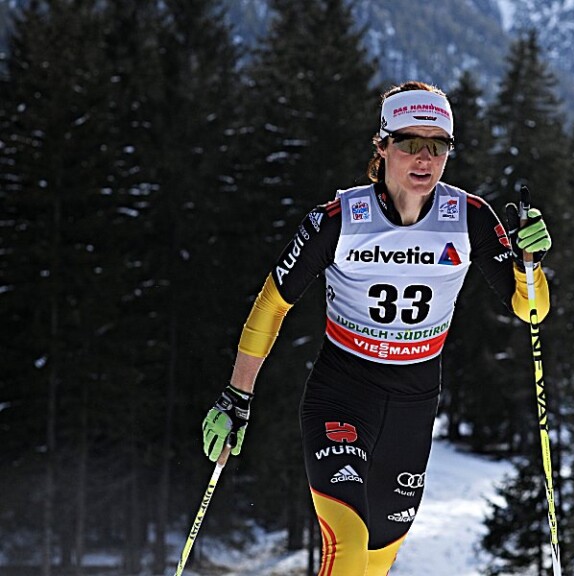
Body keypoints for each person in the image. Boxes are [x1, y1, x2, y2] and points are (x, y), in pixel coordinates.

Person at [201, 81, 552, 575]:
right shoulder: (340, 220)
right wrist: (236, 396)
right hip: (342, 393)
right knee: (346, 546)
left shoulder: (468, 218)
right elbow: (271, 305)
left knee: (373, 563)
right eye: (410, 142)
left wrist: (529, 263)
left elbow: (531, 310)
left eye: (438, 145)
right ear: (382, 145)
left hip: (413, 406)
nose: (425, 158)